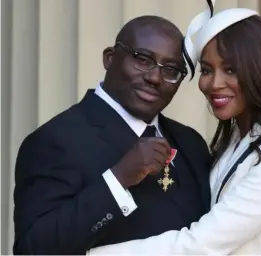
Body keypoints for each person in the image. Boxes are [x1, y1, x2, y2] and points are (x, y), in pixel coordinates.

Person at [88, 7, 261, 255]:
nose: (214, 84)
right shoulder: (237, 141)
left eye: (230, 69)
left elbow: (201, 245)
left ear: (260, 70)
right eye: (206, 70)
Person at [13, 15, 212, 255]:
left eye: (171, 70)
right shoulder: (54, 140)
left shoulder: (191, 143)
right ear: (110, 58)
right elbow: (34, 249)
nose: (155, 78)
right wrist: (117, 180)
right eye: (142, 59)